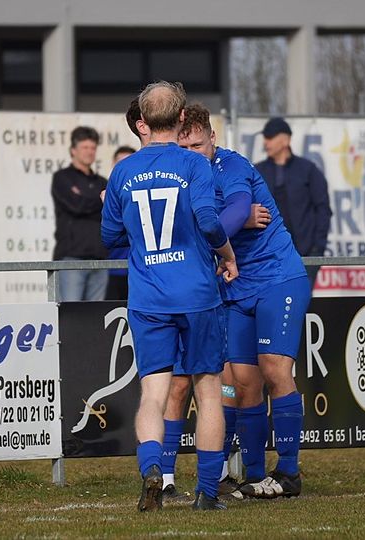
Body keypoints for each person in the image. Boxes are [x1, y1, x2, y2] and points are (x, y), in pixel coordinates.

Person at [101, 81, 238, 511]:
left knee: (153, 394)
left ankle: (152, 471)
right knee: (208, 391)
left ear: (143, 121)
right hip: (197, 295)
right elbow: (210, 222)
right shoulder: (194, 164)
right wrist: (228, 254)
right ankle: (208, 493)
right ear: (181, 118)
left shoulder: (123, 171)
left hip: (148, 298)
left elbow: (109, 235)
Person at [178, 104, 309, 500]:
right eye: (184, 147)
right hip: (235, 286)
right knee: (242, 381)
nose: (191, 153)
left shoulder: (230, 166)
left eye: (198, 145)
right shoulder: (183, 177)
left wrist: (218, 229)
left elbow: (238, 207)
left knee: (274, 369)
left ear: (212, 139)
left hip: (277, 279)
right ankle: (254, 475)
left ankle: (288, 472)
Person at [254, 117, 332, 286]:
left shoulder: (308, 170)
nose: (266, 142)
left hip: (305, 255)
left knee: (301, 299)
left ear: (285, 140)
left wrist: (317, 248)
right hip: (268, 256)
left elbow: (323, 209)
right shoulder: (257, 171)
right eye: (265, 137)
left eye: (270, 137)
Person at [51, 126, 108, 302]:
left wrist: (84, 199)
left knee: (96, 314)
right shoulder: (62, 178)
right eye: (85, 147)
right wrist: (99, 201)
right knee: (70, 312)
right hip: (71, 258)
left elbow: (110, 210)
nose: (89, 152)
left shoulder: (102, 182)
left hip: (100, 258)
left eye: (93, 148)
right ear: (73, 150)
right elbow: (76, 206)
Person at [105, 143, 139, 301]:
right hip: (111, 269)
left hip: (140, 269)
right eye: (120, 163)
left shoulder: (143, 191)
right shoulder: (106, 192)